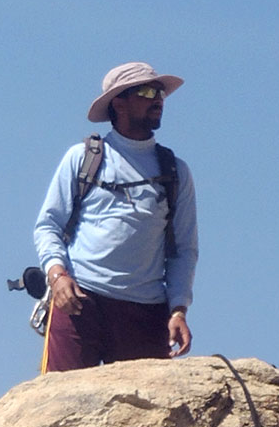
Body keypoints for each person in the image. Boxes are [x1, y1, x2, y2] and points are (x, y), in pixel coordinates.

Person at [33, 63, 198, 370]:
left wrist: (178, 309)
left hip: (145, 313)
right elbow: (48, 225)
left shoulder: (175, 172)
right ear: (118, 103)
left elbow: (184, 250)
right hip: (80, 302)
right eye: (147, 92)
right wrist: (57, 277)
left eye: (160, 92)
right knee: (63, 405)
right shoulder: (83, 158)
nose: (158, 99)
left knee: (148, 416)